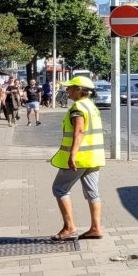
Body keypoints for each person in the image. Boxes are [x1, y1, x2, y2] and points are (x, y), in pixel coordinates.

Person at [49, 75, 105, 241]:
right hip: (94, 157)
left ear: (80, 90)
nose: (67, 90)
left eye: (71, 88)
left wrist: (72, 155)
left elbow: (79, 132)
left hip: (80, 158)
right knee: (92, 192)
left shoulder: (78, 108)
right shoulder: (91, 106)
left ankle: (69, 227)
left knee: (59, 189)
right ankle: (96, 228)